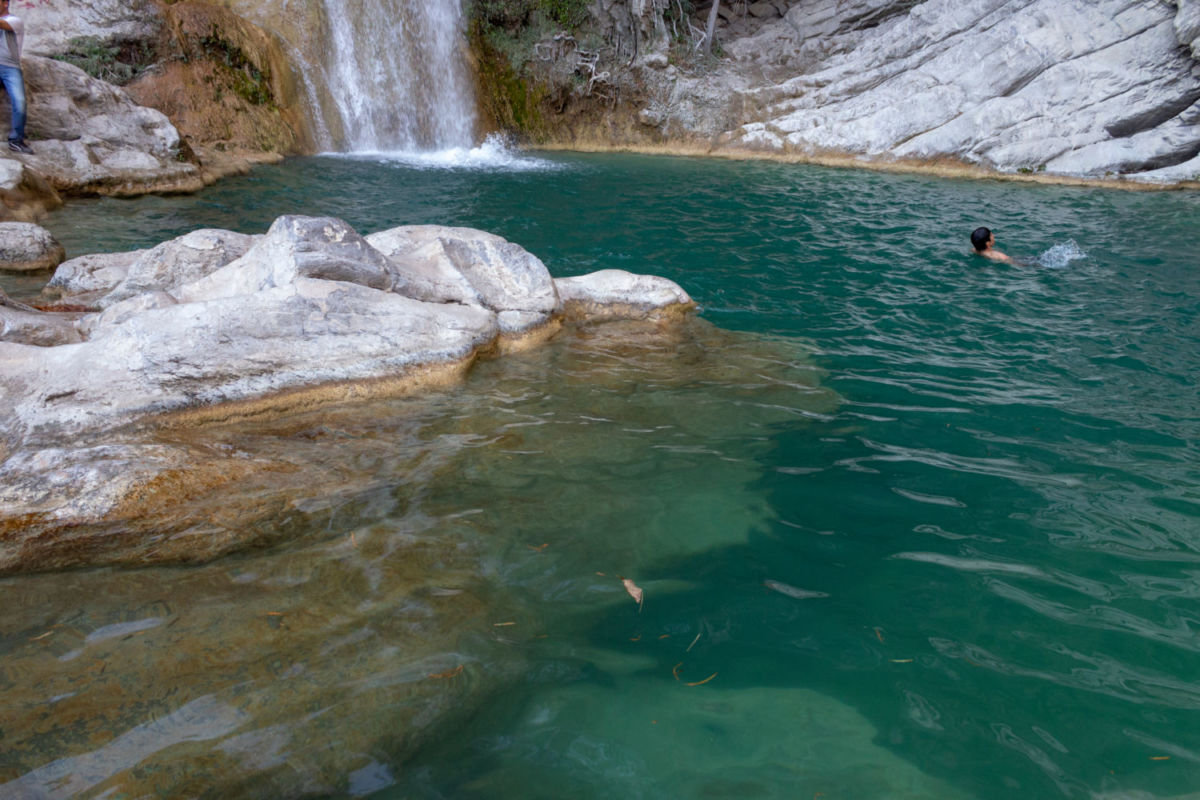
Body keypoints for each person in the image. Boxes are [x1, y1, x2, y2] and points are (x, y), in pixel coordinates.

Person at [0, 0, 31, 154]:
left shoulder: (14, 21)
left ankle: (16, 140)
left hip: (10, 68)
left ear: (5, 3)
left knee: (19, 101)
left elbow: (2, 25)